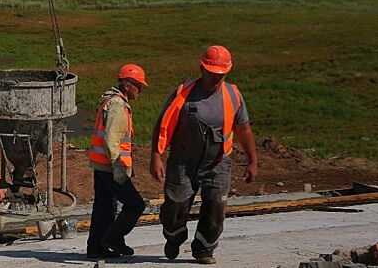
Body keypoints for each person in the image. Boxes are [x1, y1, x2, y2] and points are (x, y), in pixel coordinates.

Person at [150, 45, 258, 265]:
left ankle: (204, 249)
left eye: (221, 74)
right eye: (212, 73)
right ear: (202, 68)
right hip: (183, 160)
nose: (216, 78)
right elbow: (162, 125)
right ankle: (174, 237)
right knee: (176, 206)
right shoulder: (184, 94)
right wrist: (155, 155)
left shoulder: (233, 95)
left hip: (217, 161)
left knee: (216, 207)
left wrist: (252, 161)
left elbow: (243, 129)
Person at [86, 64, 149, 259]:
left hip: (101, 164)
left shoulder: (110, 101)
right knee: (135, 205)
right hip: (111, 166)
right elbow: (111, 139)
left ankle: (96, 248)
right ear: (127, 85)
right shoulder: (118, 107)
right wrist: (119, 166)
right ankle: (114, 238)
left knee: (104, 207)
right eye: (138, 85)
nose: (141, 90)